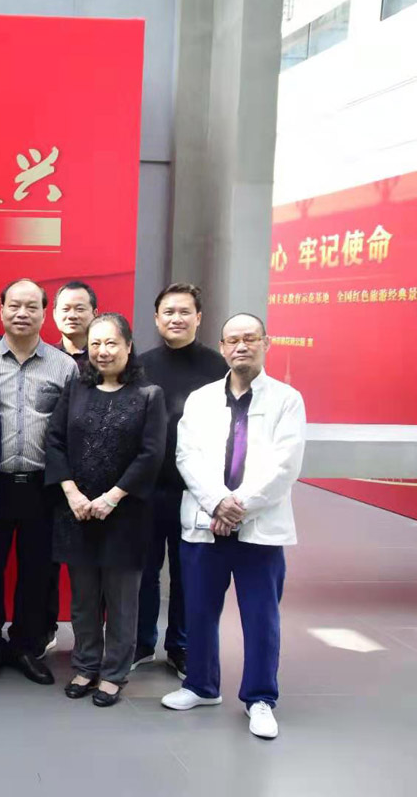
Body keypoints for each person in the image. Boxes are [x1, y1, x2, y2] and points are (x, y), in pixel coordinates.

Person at [162, 314, 305, 740]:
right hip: (206, 521)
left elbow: (285, 464)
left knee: (261, 617)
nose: (241, 346)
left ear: (266, 343)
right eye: (233, 340)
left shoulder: (287, 399)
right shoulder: (202, 399)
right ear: (222, 347)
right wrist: (217, 502)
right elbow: (187, 456)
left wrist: (238, 507)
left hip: (258, 528)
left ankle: (260, 698)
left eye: (250, 338)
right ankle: (200, 685)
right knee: (198, 610)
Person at [46, 313, 167, 707]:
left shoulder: (148, 395)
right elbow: (55, 441)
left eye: (111, 342)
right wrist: (72, 493)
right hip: (77, 512)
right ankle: (85, 665)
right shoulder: (76, 388)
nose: (102, 351)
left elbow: (151, 454)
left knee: (121, 600)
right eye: (95, 343)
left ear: (128, 346)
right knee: (83, 599)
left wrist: (112, 497)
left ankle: (114, 673)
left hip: (125, 515)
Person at [0, 278, 76, 686]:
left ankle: (25, 646)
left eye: (32, 306)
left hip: (42, 485)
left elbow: (71, 431)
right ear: (1, 308)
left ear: (45, 314)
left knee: (37, 571)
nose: (22, 313)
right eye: (14, 305)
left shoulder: (63, 366)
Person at [133, 283, 227, 678]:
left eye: (184, 311)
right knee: (144, 570)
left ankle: (181, 646)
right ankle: (141, 643)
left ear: (198, 318)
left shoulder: (218, 368)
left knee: (189, 572)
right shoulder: (140, 365)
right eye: (168, 312)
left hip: (196, 490)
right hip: (146, 489)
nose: (176, 318)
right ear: (157, 319)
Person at [53, 280, 97, 371]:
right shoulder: (45, 357)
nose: (72, 316)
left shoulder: (102, 356)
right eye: (65, 309)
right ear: (55, 314)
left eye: (80, 309)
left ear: (95, 314)